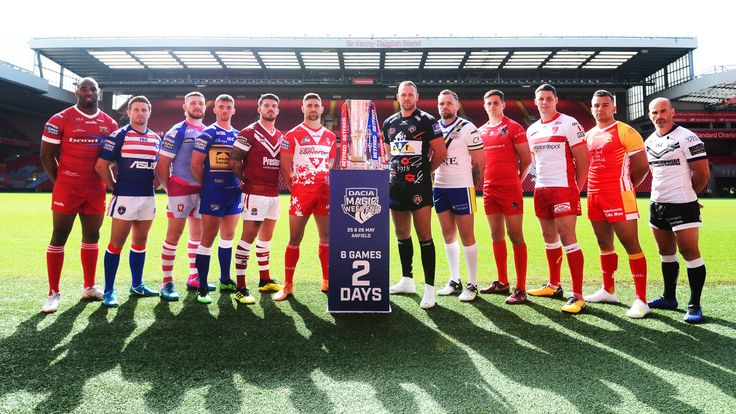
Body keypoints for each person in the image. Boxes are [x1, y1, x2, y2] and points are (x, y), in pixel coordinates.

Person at [39, 77, 118, 313]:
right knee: (59, 235)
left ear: (98, 93)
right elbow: (46, 155)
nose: (88, 92)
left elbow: (113, 157)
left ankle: (90, 286)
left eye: (92, 89)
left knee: (92, 236)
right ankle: (53, 292)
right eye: (83, 89)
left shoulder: (110, 123)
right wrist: (62, 182)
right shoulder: (59, 119)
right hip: (67, 187)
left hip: (95, 189)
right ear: (76, 92)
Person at [582, 90, 651, 318]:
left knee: (631, 244)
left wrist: (626, 185)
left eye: (604, 105)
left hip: (619, 195)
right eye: (596, 105)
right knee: (604, 243)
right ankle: (608, 289)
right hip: (594, 194)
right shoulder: (589, 134)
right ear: (591, 108)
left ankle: (641, 299)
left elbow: (641, 167)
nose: (600, 109)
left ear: (614, 108)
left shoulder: (626, 131)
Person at [526, 84, 590, 314]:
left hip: (564, 188)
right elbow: (535, 160)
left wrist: (576, 189)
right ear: (535, 101)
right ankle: (554, 285)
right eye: (541, 98)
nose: (544, 102)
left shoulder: (569, 123)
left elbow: (584, 160)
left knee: (568, 237)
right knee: (548, 237)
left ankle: (578, 295)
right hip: (541, 189)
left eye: (549, 98)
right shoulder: (532, 129)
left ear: (556, 100)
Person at [645, 97, 710, 323]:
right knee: (665, 253)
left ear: (673, 112)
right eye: (654, 112)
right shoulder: (650, 140)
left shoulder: (688, 137)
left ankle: (694, 305)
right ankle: (669, 297)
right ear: (650, 115)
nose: (659, 116)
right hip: (657, 204)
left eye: (663, 111)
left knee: (689, 252)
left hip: (682, 203)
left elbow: (702, 174)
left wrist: (691, 196)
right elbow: (655, 172)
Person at [382, 81, 447, 309]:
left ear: (416, 96)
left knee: (424, 235)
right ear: (398, 97)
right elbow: (389, 154)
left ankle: (429, 289)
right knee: (402, 234)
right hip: (395, 186)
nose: (407, 98)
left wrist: (425, 171)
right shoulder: (389, 123)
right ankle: (407, 280)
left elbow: (440, 152)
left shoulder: (428, 121)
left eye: (410, 94)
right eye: (403, 95)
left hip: (419, 187)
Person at [94, 96, 161, 307]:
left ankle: (137, 284)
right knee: (116, 244)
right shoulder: (119, 135)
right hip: (125, 196)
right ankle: (109, 290)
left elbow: (158, 166)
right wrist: (113, 185)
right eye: (136, 110)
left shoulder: (155, 138)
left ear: (149, 113)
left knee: (140, 243)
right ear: (129, 113)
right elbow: (101, 165)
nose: (140, 113)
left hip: (147, 197)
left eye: (144, 110)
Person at [273, 93, 336, 301]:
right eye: (309, 105)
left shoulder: (330, 136)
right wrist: (297, 187)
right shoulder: (292, 135)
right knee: (295, 238)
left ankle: (327, 281)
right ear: (303, 109)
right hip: (302, 192)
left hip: (325, 194)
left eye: (316, 105)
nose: (313, 108)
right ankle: (288, 285)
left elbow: (331, 165)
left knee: (326, 237)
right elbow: (284, 167)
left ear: (321, 109)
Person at [156, 91, 213, 301]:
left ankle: (194, 276)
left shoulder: (207, 131)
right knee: (173, 237)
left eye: (200, 103)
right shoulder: (177, 130)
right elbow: (162, 165)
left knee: (197, 237)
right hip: (180, 189)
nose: (197, 106)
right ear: (185, 106)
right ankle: (167, 282)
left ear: (204, 108)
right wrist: (169, 190)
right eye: (192, 103)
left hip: (201, 190)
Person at [477, 89, 532, 305]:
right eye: (488, 103)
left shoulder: (513, 127)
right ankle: (502, 281)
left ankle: (521, 287)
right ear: (484, 106)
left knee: (515, 235)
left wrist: (516, 182)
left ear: (503, 104)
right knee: (496, 235)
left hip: (510, 189)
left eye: (496, 103)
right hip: (489, 189)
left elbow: (526, 160)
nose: (492, 106)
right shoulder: (480, 131)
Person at [229, 93, 284, 305]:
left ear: (277, 111)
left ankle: (264, 280)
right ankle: (241, 287)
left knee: (266, 239)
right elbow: (234, 161)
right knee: (247, 238)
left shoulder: (280, 135)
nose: (270, 109)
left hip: (273, 194)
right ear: (259, 109)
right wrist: (247, 181)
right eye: (266, 105)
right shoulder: (248, 132)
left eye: (273, 106)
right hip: (255, 193)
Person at [190, 94, 243, 304]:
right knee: (207, 238)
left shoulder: (239, 136)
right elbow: (195, 166)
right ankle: (202, 286)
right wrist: (209, 185)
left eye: (228, 107)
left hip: (233, 192)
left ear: (233, 111)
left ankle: (225, 278)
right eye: (221, 107)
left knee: (228, 237)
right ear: (215, 110)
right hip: (213, 192)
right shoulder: (207, 134)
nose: (224, 110)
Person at [433, 90, 485, 302]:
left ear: (456, 105)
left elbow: (480, 160)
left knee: (467, 235)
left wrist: (471, 184)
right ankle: (455, 280)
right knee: (447, 234)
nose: (444, 106)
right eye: (441, 103)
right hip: (439, 186)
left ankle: (472, 284)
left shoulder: (467, 128)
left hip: (462, 188)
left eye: (448, 103)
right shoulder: (434, 127)